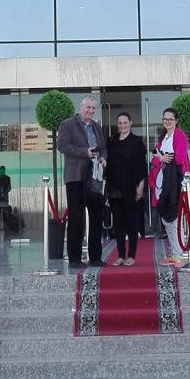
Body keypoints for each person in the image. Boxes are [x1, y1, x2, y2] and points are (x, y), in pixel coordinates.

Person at [56, 94, 106, 268]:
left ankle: (95, 257)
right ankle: (75, 259)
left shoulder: (97, 126)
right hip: (76, 177)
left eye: (93, 108)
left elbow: (103, 148)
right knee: (76, 218)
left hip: (95, 177)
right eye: (88, 107)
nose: (91, 111)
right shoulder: (68, 124)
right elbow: (62, 146)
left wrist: (103, 158)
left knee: (97, 218)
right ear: (81, 107)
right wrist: (85, 152)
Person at [148, 107, 190, 268]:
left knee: (174, 218)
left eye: (170, 119)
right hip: (162, 180)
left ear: (176, 120)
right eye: (165, 119)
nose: (167, 121)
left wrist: (163, 157)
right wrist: (161, 158)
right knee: (166, 219)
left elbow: (179, 158)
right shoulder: (163, 137)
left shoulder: (180, 136)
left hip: (174, 180)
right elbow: (155, 160)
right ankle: (175, 253)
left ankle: (179, 255)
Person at [106, 112, 147, 266]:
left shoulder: (137, 142)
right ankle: (121, 255)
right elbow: (108, 164)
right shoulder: (112, 141)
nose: (123, 125)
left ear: (130, 122)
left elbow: (142, 167)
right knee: (118, 224)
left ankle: (131, 256)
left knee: (132, 223)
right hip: (115, 188)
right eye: (120, 123)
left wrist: (140, 187)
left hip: (132, 188)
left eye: (125, 122)